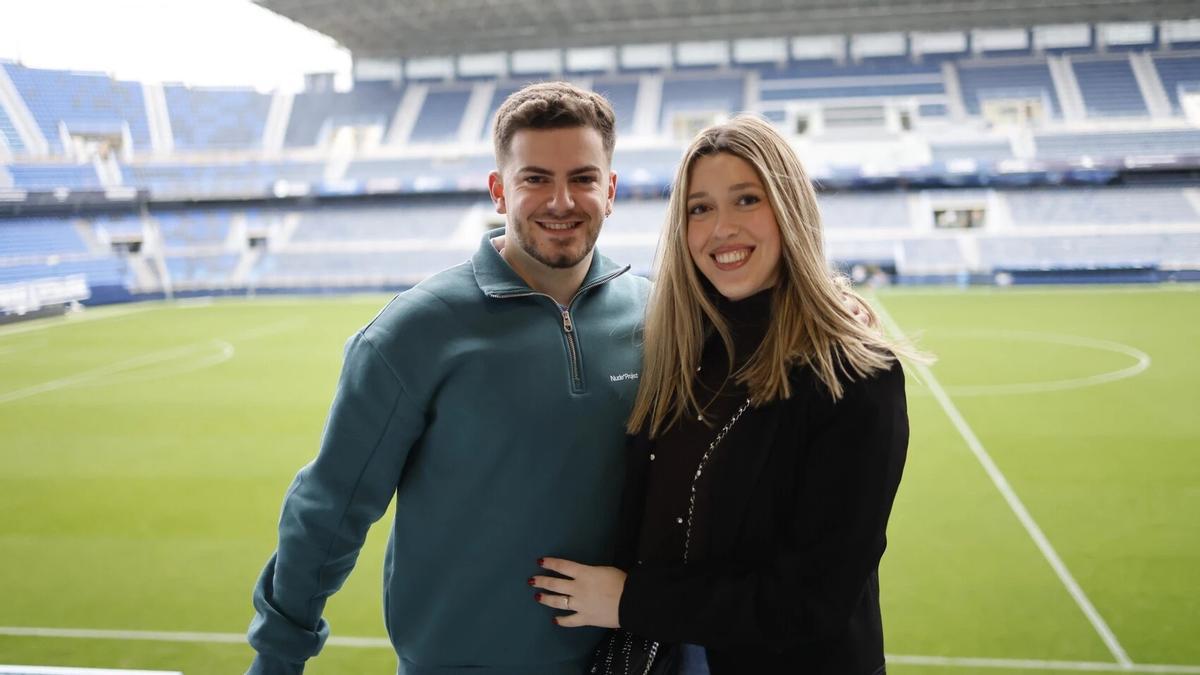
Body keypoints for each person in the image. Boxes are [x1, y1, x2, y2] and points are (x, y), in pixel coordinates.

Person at [247, 82, 649, 674]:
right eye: (535, 178)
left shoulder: (657, 312)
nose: (561, 201)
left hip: (623, 662)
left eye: (583, 179)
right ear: (498, 191)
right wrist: (278, 658)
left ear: (610, 191)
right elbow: (330, 508)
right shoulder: (416, 331)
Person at [530, 115, 921, 674]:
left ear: (789, 209)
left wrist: (627, 600)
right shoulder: (679, 348)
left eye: (746, 200)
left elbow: (811, 602)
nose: (721, 229)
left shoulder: (854, 375)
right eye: (700, 208)